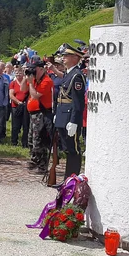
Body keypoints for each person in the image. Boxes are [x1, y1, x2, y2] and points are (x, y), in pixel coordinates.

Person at [54, 44, 87, 180]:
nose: (63, 58)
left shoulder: (76, 76)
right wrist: (58, 113)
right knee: (67, 148)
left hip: (70, 118)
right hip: (63, 115)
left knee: (73, 149)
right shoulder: (69, 73)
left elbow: (77, 102)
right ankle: (67, 178)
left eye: (66, 56)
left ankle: (71, 178)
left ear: (75, 58)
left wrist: (74, 121)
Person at [22, 60, 54, 173]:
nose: (32, 71)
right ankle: (34, 160)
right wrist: (26, 78)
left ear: (41, 69)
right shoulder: (35, 79)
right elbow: (23, 90)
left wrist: (30, 83)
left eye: (34, 69)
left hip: (41, 113)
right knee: (31, 138)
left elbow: (35, 96)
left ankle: (42, 165)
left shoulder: (46, 81)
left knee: (39, 139)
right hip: (32, 114)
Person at [9, 66, 29, 147]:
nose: (18, 74)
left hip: (26, 106)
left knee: (26, 125)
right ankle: (14, 142)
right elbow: (11, 95)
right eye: (16, 73)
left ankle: (25, 142)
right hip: (15, 106)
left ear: (23, 74)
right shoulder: (13, 83)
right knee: (15, 125)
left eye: (20, 73)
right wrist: (18, 102)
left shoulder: (27, 83)